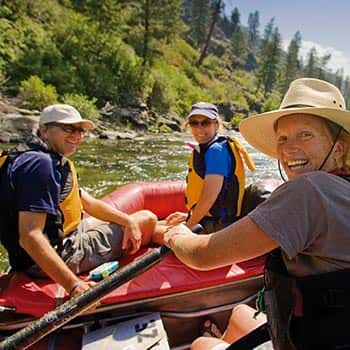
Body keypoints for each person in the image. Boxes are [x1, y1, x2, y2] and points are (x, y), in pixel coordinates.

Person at [164, 78, 350, 350]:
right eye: (283, 138)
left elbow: (203, 255)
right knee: (239, 313)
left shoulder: (309, 190)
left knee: (200, 345)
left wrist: (176, 234)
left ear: (339, 148)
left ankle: (212, 339)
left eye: (305, 134)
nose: (288, 148)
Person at [0, 104, 157, 299]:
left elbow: (87, 203)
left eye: (80, 130)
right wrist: (74, 286)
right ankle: (171, 235)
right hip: (59, 256)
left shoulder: (24, 157)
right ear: (44, 130)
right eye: (68, 128)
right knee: (148, 219)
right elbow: (30, 236)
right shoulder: (41, 166)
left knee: (129, 220)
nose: (77, 136)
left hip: (36, 251)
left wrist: (127, 221)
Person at [166, 102, 255, 233]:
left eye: (205, 122)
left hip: (218, 227)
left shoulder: (216, 151)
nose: (199, 128)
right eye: (194, 123)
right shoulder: (210, 148)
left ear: (216, 124)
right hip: (210, 220)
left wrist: (187, 226)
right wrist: (188, 216)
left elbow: (209, 197)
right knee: (158, 223)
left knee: (151, 228)